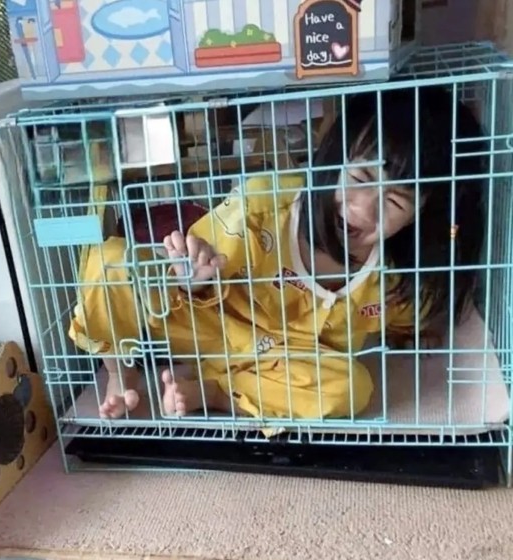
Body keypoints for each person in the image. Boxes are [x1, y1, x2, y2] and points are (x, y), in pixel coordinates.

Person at [68, 85, 486, 422]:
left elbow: (408, 318)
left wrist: (410, 331)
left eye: (394, 202)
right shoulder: (260, 207)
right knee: (109, 263)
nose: (363, 207)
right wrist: (193, 278)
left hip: (278, 361)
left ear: (420, 216)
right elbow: (189, 264)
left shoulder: (391, 279)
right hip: (203, 325)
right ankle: (120, 373)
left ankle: (216, 392)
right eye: (360, 177)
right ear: (333, 158)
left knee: (349, 389)